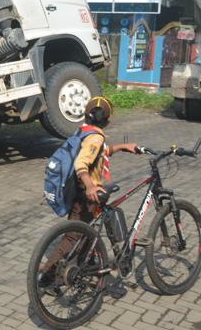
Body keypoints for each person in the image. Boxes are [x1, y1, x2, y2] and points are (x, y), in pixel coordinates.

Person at [39, 96, 139, 287]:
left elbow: (98, 152)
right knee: (73, 236)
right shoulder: (96, 136)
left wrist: (120, 147)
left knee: (85, 233)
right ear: (108, 121)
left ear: (87, 115)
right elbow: (81, 162)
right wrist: (90, 185)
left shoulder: (84, 131)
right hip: (86, 194)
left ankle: (87, 264)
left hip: (76, 190)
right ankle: (47, 276)